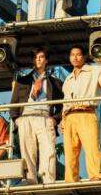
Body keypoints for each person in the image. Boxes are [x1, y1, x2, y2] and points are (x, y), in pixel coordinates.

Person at [61, 45, 101, 182]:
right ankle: (71, 180)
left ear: (84, 56)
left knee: (92, 147)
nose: (75, 57)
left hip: (86, 112)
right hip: (69, 116)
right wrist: (63, 119)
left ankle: (96, 175)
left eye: (78, 54)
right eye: (72, 55)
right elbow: (65, 101)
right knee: (70, 151)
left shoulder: (95, 70)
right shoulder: (68, 79)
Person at [10, 48, 64, 184]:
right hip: (26, 117)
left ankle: (48, 180)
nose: (38, 60)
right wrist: (17, 119)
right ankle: (30, 180)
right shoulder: (22, 80)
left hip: (44, 117)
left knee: (49, 150)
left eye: (41, 57)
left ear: (46, 60)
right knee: (27, 151)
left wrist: (55, 119)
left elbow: (62, 105)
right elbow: (14, 102)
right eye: (35, 57)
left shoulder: (55, 82)